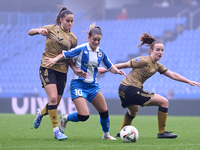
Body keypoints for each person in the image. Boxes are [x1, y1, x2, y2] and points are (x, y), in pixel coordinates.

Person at [98, 32, 200, 139]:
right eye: (158, 50)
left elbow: (173, 74)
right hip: (130, 89)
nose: (160, 52)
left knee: (134, 111)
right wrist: (105, 69)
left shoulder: (157, 66)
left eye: (162, 50)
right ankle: (162, 132)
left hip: (123, 89)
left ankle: (121, 133)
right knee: (164, 102)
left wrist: (188, 81)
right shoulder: (143, 60)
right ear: (151, 50)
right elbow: (126, 64)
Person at [44, 23, 126, 140]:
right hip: (78, 84)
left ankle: (106, 135)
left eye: (98, 40)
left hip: (93, 86)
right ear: (89, 38)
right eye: (94, 40)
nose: (96, 42)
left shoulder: (100, 53)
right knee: (84, 115)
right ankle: (65, 118)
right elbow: (65, 54)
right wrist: (54, 59)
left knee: (104, 111)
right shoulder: (81, 49)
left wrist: (117, 71)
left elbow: (109, 66)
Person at [28, 6, 86, 140]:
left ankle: (40, 113)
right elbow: (30, 32)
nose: (70, 23)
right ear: (61, 20)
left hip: (62, 71)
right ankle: (56, 131)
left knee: (55, 103)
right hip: (47, 67)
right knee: (53, 98)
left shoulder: (73, 38)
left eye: (72, 21)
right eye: (67, 21)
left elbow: (69, 56)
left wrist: (75, 69)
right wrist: (38, 30)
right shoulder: (52, 28)